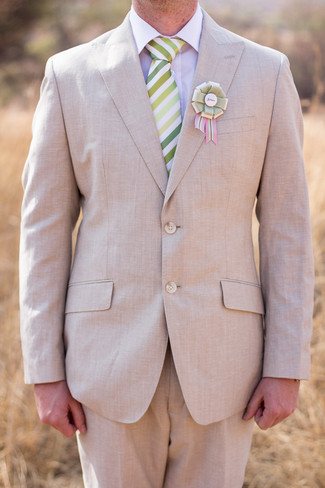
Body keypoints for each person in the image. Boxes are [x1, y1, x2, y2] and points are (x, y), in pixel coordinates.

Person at [20, 0, 314, 486]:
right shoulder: (69, 75)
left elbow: (288, 229)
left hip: (226, 369)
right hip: (106, 366)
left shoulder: (266, 71)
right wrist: (45, 372)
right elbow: (43, 232)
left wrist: (286, 366)